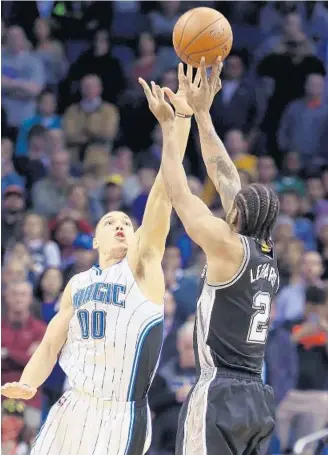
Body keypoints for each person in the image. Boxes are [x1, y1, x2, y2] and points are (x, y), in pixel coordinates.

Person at [1, 79, 193, 455]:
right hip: (72, 404)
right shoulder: (77, 283)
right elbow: (53, 340)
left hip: (120, 413)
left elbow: (162, 195)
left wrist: (176, 128)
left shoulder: (143, 269)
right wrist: (29, 382)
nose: (121, 225)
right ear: (94, 238)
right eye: (110, 222)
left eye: (126, 222)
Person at [140, 58, 280, 455]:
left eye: (232, 206)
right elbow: (226, 176)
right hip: (257, 397)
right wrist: (203, 113)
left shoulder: (226, 244)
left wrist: (172, 127)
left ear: (238, 215)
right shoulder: (266, 255)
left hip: (220, 389)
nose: (227, 204)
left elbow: (179, 191)